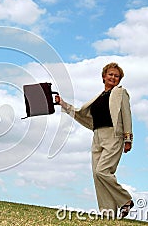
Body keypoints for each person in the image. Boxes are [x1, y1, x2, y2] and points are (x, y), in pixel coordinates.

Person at [55, 62, 134, 219]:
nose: (113, 77)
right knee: (96, 175)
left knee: (102, 171)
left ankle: (126, 200)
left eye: (116, 76)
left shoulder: (121, 93)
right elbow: (81, 114)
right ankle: (108, 214)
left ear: (119, 80)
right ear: (104, 77)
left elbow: (127, 115)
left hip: (113, 135)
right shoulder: (98, 97)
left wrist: (128, 138)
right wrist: (62, 103)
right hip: (97, 136)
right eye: (110, 74)